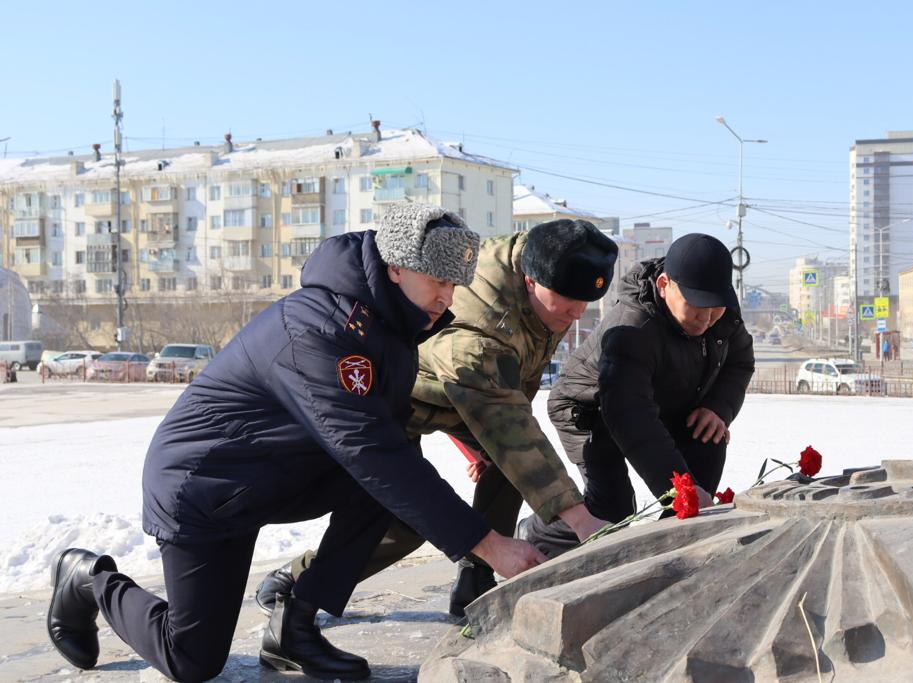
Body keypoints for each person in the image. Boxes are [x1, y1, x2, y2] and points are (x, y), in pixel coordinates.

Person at [45, 203, 544, 682]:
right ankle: (87, 578)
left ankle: (294, 625)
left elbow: (388, 442)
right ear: (396, 268)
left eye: (455, 285)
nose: (448, 298)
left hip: (274, 473)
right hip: (205, 487)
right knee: (191, 660)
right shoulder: (317, 329)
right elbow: (369, 449)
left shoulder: (390, 329)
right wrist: (487, 543)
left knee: (388, 482)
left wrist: (473, 444)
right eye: (439, 282)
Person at [254, 218, 619, 618]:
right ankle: (302, 580)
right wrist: (579, 518)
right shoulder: (479, 323)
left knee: (514, 464)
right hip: (397, 397)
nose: (578, 312)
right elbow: (499, 409)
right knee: (411, 518)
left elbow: (514, 395)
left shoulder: (547, 274)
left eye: (586, 302)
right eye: (568, 300)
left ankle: (477, 576)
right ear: (531, 281)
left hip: (468, 394)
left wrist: (485, 441)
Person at [519, 233, 755, 558]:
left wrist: (719, 407)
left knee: (706, 442)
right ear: (663, 284)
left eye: (715, 308)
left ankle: (672, 556)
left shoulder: (722, 315)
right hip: (592, 407)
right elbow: (630, 415)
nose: (707, 318)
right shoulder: (632, 328)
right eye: (696, 307)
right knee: (612, 511)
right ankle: (538, 533)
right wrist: (677, 489)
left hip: (658, 405)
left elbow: (740, 362)